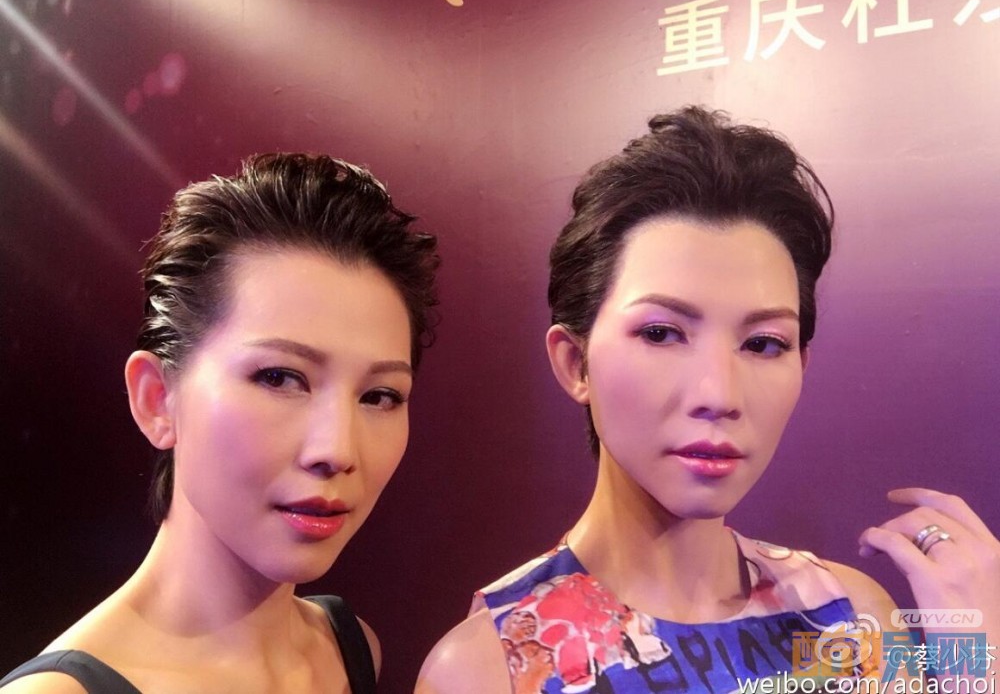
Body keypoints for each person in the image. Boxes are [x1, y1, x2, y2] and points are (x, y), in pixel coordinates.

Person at [416, 107, 1000, 693]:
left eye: (763, 343)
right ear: (575, 362)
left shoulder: (851, 616)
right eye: (661, 333)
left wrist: (980, 665)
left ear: (801, 365)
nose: (719, 394)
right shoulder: (490, 666)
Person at [1, 153, 439, 693]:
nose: (338, 450)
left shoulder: (349, 647)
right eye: (279, 377)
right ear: (158, 398)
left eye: (379, 395)